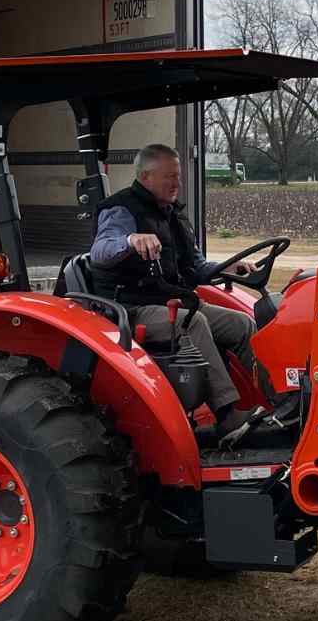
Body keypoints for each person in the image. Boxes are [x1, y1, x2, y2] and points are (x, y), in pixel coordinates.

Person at [90, 144, 260, 430]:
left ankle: (273, 402)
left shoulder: (173, 215)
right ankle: (227, 415)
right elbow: (101, 250)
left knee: (242, 324)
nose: (177, 183)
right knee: (194, 322)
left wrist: (228, 267)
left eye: (178, 176)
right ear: (145, 176)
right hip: (132, 306)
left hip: (172, 299)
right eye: (169, 176)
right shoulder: (121, 209)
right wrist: (130, 240)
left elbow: (196, 266)